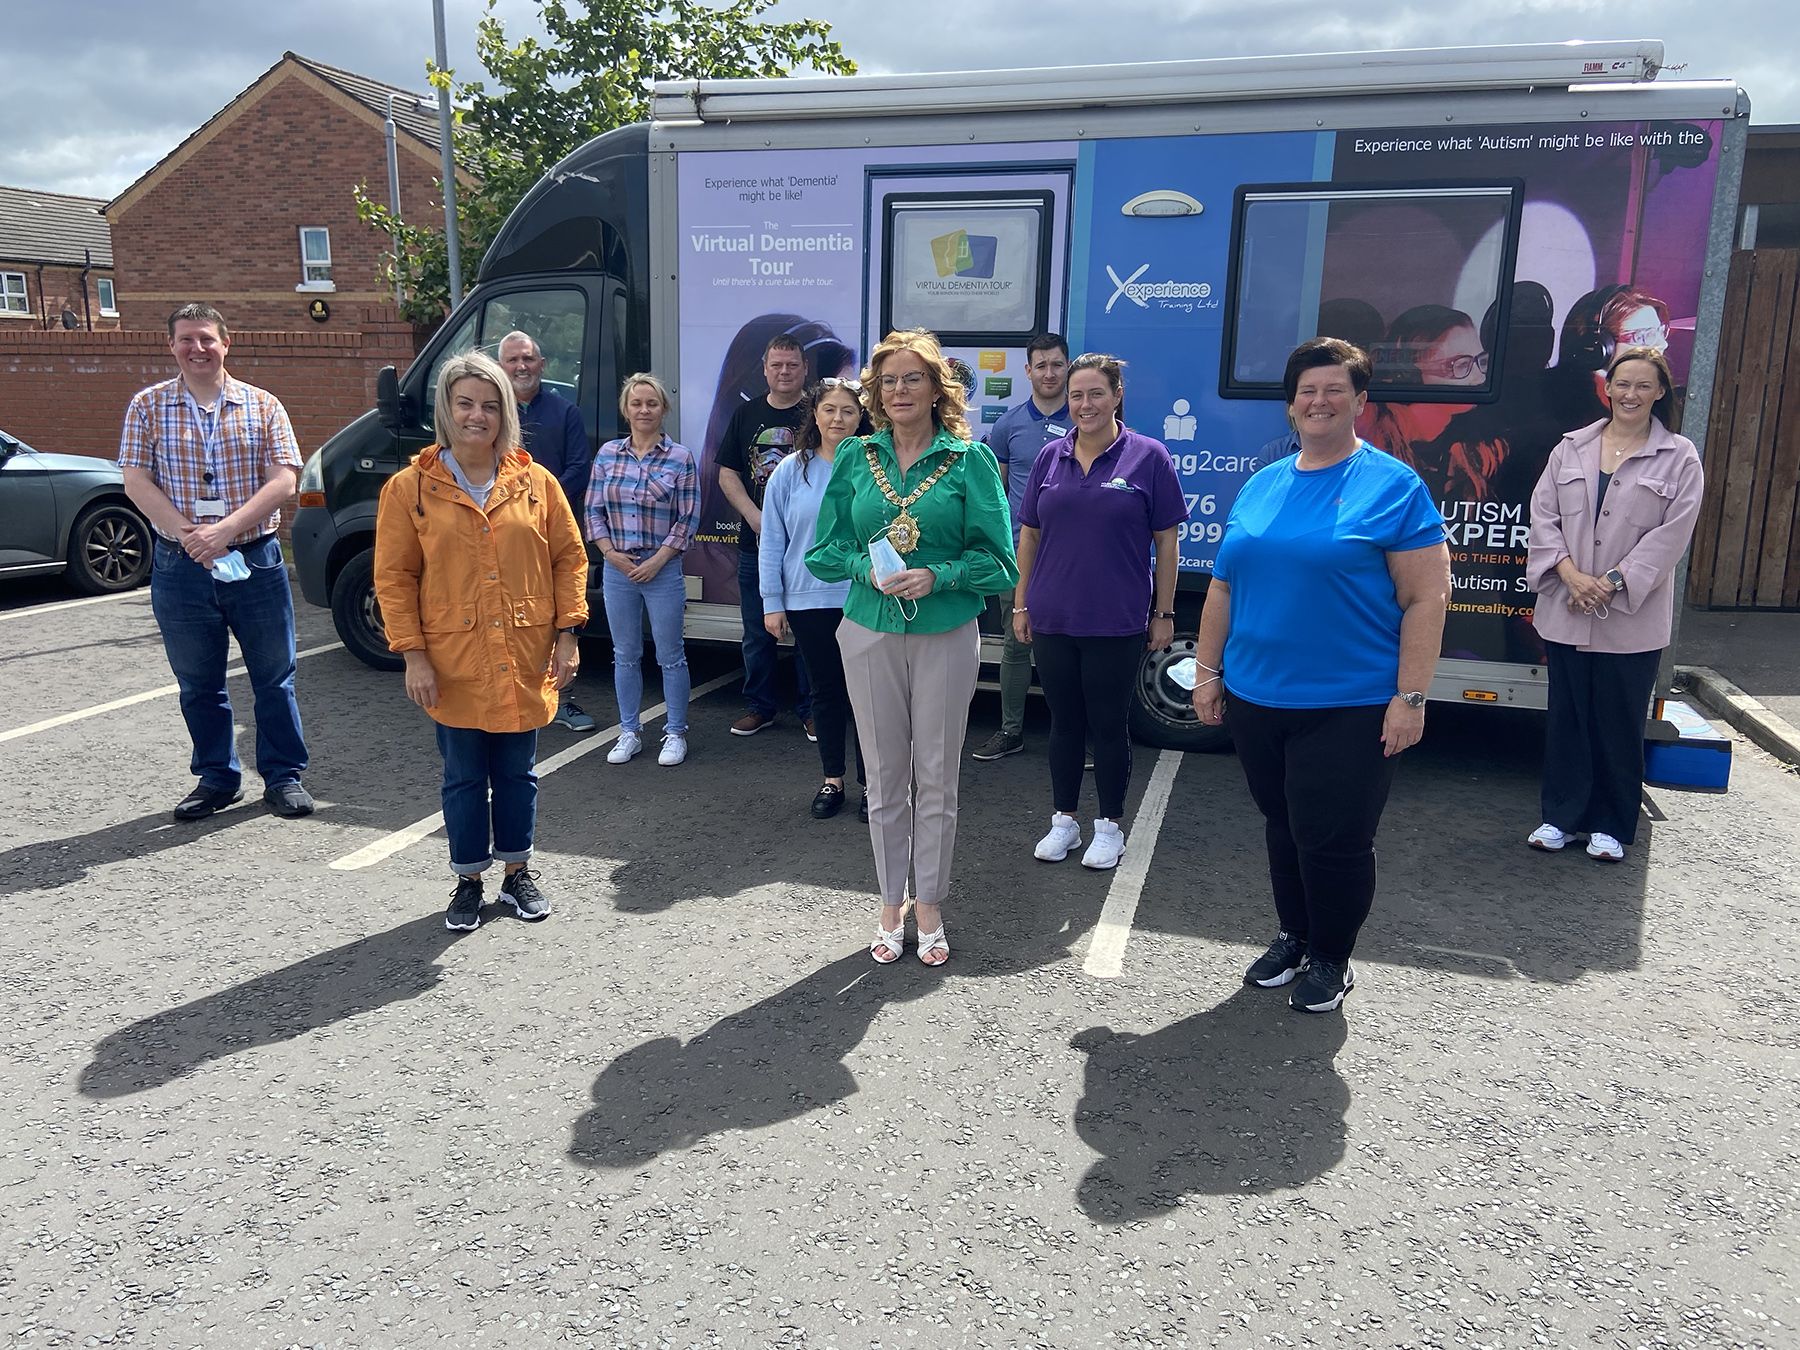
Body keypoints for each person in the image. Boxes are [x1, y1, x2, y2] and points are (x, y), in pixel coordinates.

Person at [1192, 338, 1449, 1013]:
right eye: (1307, 390)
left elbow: (1427, 598)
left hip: (1351, 704)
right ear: (1291, 405)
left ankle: (1332, 956)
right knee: (1283, 823)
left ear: (1361, 402)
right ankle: (1294, 935)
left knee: (1334, 839)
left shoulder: (1394, 486)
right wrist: (1207, 674)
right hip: (1256, 697)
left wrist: (1410, 698)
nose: (1319, 401)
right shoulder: (1263, 484)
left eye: (1335, 389)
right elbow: (1223, 589)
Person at [807, 329, 1018, 967]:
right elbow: (823, 550)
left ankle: (929, 905)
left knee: (936, 780)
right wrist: (863, 569)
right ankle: (888, 903)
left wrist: (941, 575)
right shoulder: (853, 457)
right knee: (884, 779)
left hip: (944, 634)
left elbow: (1001, 564)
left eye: (912, 379)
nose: (899, 391)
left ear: (936, 389)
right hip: (869, 631)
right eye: (888, 381)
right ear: (875, 391)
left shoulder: (969, 461)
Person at [372, 350, 589, 931]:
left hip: (521, 653)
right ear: (446, 409)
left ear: (505, 413)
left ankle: (517, 874)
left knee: (517, 773)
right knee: (464, 775)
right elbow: (394, 578)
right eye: (465, 403)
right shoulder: (409, 488)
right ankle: (468, 879)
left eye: (490, 405)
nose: (478, 416)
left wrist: (567, 634)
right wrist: (413, 655)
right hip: (453, 660)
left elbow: (569, 557)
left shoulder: (536, 482)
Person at [119, 302, 314, 822]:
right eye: (186, 339)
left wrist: (225, 530)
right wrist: (193, 536)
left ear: (226, 344)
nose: (197, 348)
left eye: (206, 338)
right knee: (199, 683)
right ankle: (217, 778)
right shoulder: (147, 406)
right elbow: (136, 481)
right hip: (181, 566)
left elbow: (284, 480)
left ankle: (283, 776)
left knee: (274, 676)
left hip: (255, 559)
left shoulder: (263, 405)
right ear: (171, 346)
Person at [1524, 345, 1703, 862]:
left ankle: (1609, 824)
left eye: (1644, 385)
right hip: (1568, 605)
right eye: (1623, 384)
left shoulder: (1679, 455)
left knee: (1618, 722)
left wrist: (1615, 580)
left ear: (1661, 392)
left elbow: (1674, 533)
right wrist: (1571, 575)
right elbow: (1544, 516)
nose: (1631, 394)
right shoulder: (1571, 449)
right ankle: (1560, 817)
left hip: (1631, 615)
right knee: (1568, 718)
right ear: (1608, 387)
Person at [1012, 354, 1185, 870]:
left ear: (1117, 396)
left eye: (1095, 394)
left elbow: (1167, 543)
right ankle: (1063, 822)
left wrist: (1166, 612)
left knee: (1109, 725)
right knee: (1064, 724)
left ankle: (1109, 827)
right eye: (1076, 395)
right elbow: (1030, 535)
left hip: (1117, 620)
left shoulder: (1148, 457)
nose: (1084, 405)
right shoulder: (1050, 457)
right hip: (1053, 618)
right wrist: (1022, 602)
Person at [760, 378, 871, 820]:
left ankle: (871, 787)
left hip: (863, 597)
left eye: (847, 411)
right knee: (826, 692)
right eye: (829, 410)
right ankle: (833, 781)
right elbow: (772, 539)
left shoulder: (872, 466)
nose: (838, 419)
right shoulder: (791, 469)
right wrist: (773, 601)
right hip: (807, 600)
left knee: (867, 697)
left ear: (861, 418)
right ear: (815, 415)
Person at [587, 373, 701, 767]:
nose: (644, 410)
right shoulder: (607, 455)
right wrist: (609, 553)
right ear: (626, 409)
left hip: (662, 569)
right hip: (618, 568)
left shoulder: (680, 458)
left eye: (651, 403)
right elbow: (592, 510)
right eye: (636, 403)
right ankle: (629, 731)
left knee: (671, 655)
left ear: (663, 409)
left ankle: (675, 732)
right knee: (625, 654)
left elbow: (687, 519)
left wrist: (658, 560)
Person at [971, 333, 1070, 761]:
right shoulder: (1009, 426)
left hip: (1073, 558)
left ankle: (1069, 735)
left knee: (1067, 648)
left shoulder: (1086, 417)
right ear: (1028, 371)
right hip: (1020, 553)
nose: (1049, 373)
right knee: (1016, 644)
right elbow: (998, 493)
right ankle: (1011, 731)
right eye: (1041, 365)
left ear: (1068, 367)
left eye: (1057, 364)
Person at [498, 329, 597, 734]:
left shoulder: (565, 412)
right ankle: (511, 699)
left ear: (542, 365)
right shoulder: (493, 415)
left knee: (559, 616)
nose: (522, 366)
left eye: (529, 359)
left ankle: (564, 701)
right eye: (513, 360)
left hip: (551, 532)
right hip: (502, 537)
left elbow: (579, 468)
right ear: (501, 368)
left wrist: (538, 505)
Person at [716, 332, 814, 737]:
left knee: (811, 632)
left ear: (805, 369)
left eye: (792, 364)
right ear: (765, 369)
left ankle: (812, 709)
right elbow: (727, 473)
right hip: (756, 546)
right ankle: (760, 706)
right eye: (777, 364)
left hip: (811, 547)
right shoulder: (746, 415)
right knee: (757, 631)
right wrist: (755, 516)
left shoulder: (819, 414)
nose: (785, 371)